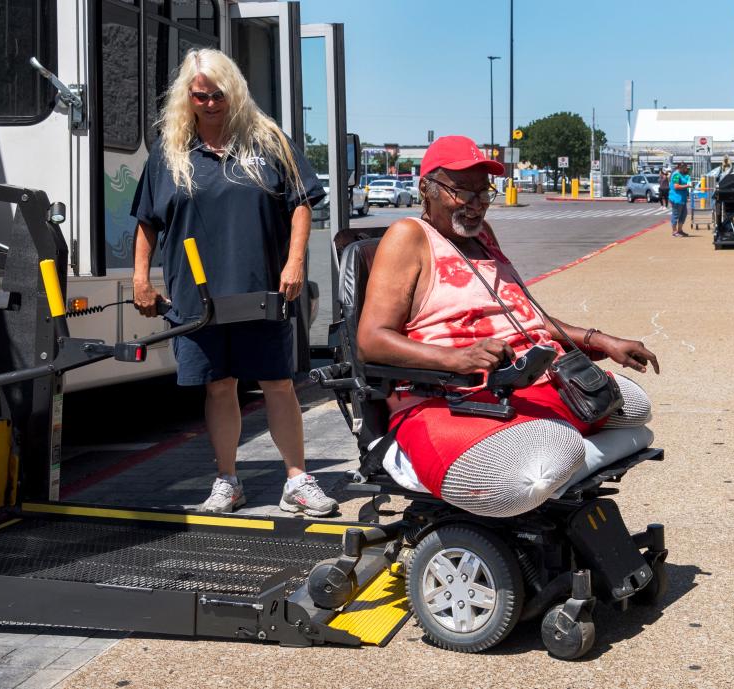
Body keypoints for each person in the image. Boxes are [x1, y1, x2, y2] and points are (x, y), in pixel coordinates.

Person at [356, 135, 659, 518]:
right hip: (451, 398)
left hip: (524, 383)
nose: (476, 205)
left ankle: (553, 465)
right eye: (462, 192)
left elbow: (528, 313)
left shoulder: (483, 237)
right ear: (425, 189)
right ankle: (548, 464)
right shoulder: (409, 237)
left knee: (635, 405)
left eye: (484, 193)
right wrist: (457, 358)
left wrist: (599, 340)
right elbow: (371, 340)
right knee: (559, 451)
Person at [131, 49, 337, 516]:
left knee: (277, 382)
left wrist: (295, 261)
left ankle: (297, 479)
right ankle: (227, 481)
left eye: (219, 94)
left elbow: (302, 202)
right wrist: (141, 277)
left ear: (235, 91)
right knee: (219, 386)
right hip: (197, 295)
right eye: (200, 95)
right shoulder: (170, 152)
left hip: (263, 286)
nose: (210, 103)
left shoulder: (266, 141)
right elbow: (146, 221)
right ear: (188, 97)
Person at [668, 162, 693, 237]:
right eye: (685, 167)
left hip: (682, 198)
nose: (686, 169)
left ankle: (680, 230)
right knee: (676, 214)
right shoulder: (676, 175)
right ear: (680, 167)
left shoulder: (683, 174)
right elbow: (676, 186)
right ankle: (674, 231)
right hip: (676, 198)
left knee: (683, 214)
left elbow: (686, 179)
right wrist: (687, 186)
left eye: (686, 167)